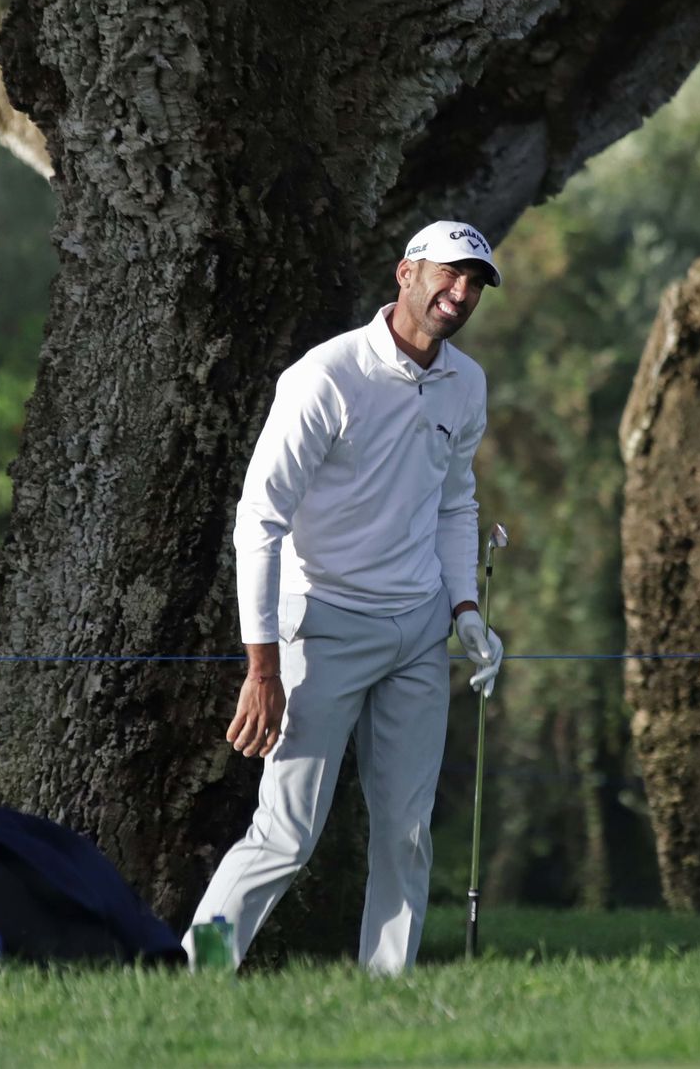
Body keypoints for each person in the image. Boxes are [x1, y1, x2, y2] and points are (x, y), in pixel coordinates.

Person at [183, 219, 506, 974]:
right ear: (406, 273)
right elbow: (258, 521)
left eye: (475, 284)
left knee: (406, 832)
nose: (459, 294)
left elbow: (456, 505)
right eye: (448, 275)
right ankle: (196, 975)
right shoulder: (324, 378)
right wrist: (262, 668)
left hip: (419, 631)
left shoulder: (467, 383)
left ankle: (383, 996)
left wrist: (465, 613)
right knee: (284, 836)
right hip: (322, 629)